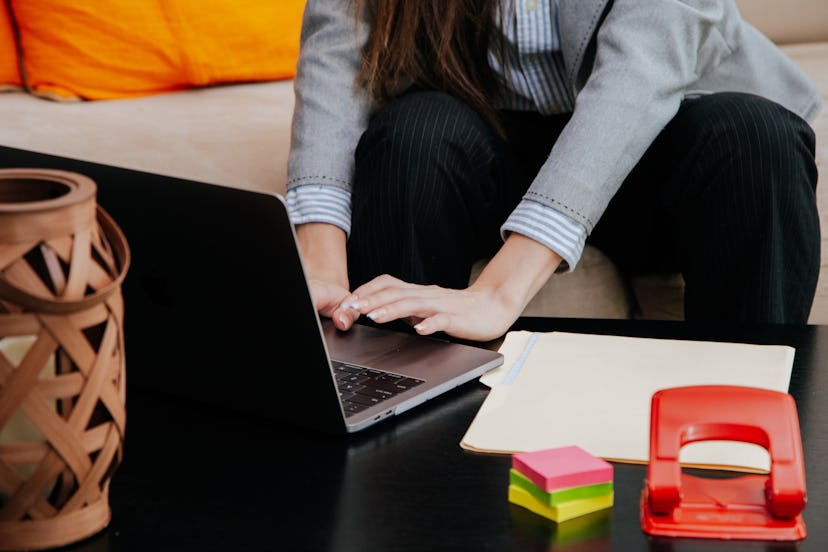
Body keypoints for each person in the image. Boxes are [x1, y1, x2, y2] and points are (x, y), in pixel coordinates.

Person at [286, 0, 822, 342]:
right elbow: (340, 48)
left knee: (758, 141)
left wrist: (499, 293)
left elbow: (641, 70)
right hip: (488, 131)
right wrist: (322, 263)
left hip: (651, 131)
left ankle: (747, 429)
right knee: (412, 136)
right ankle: (394, 430)